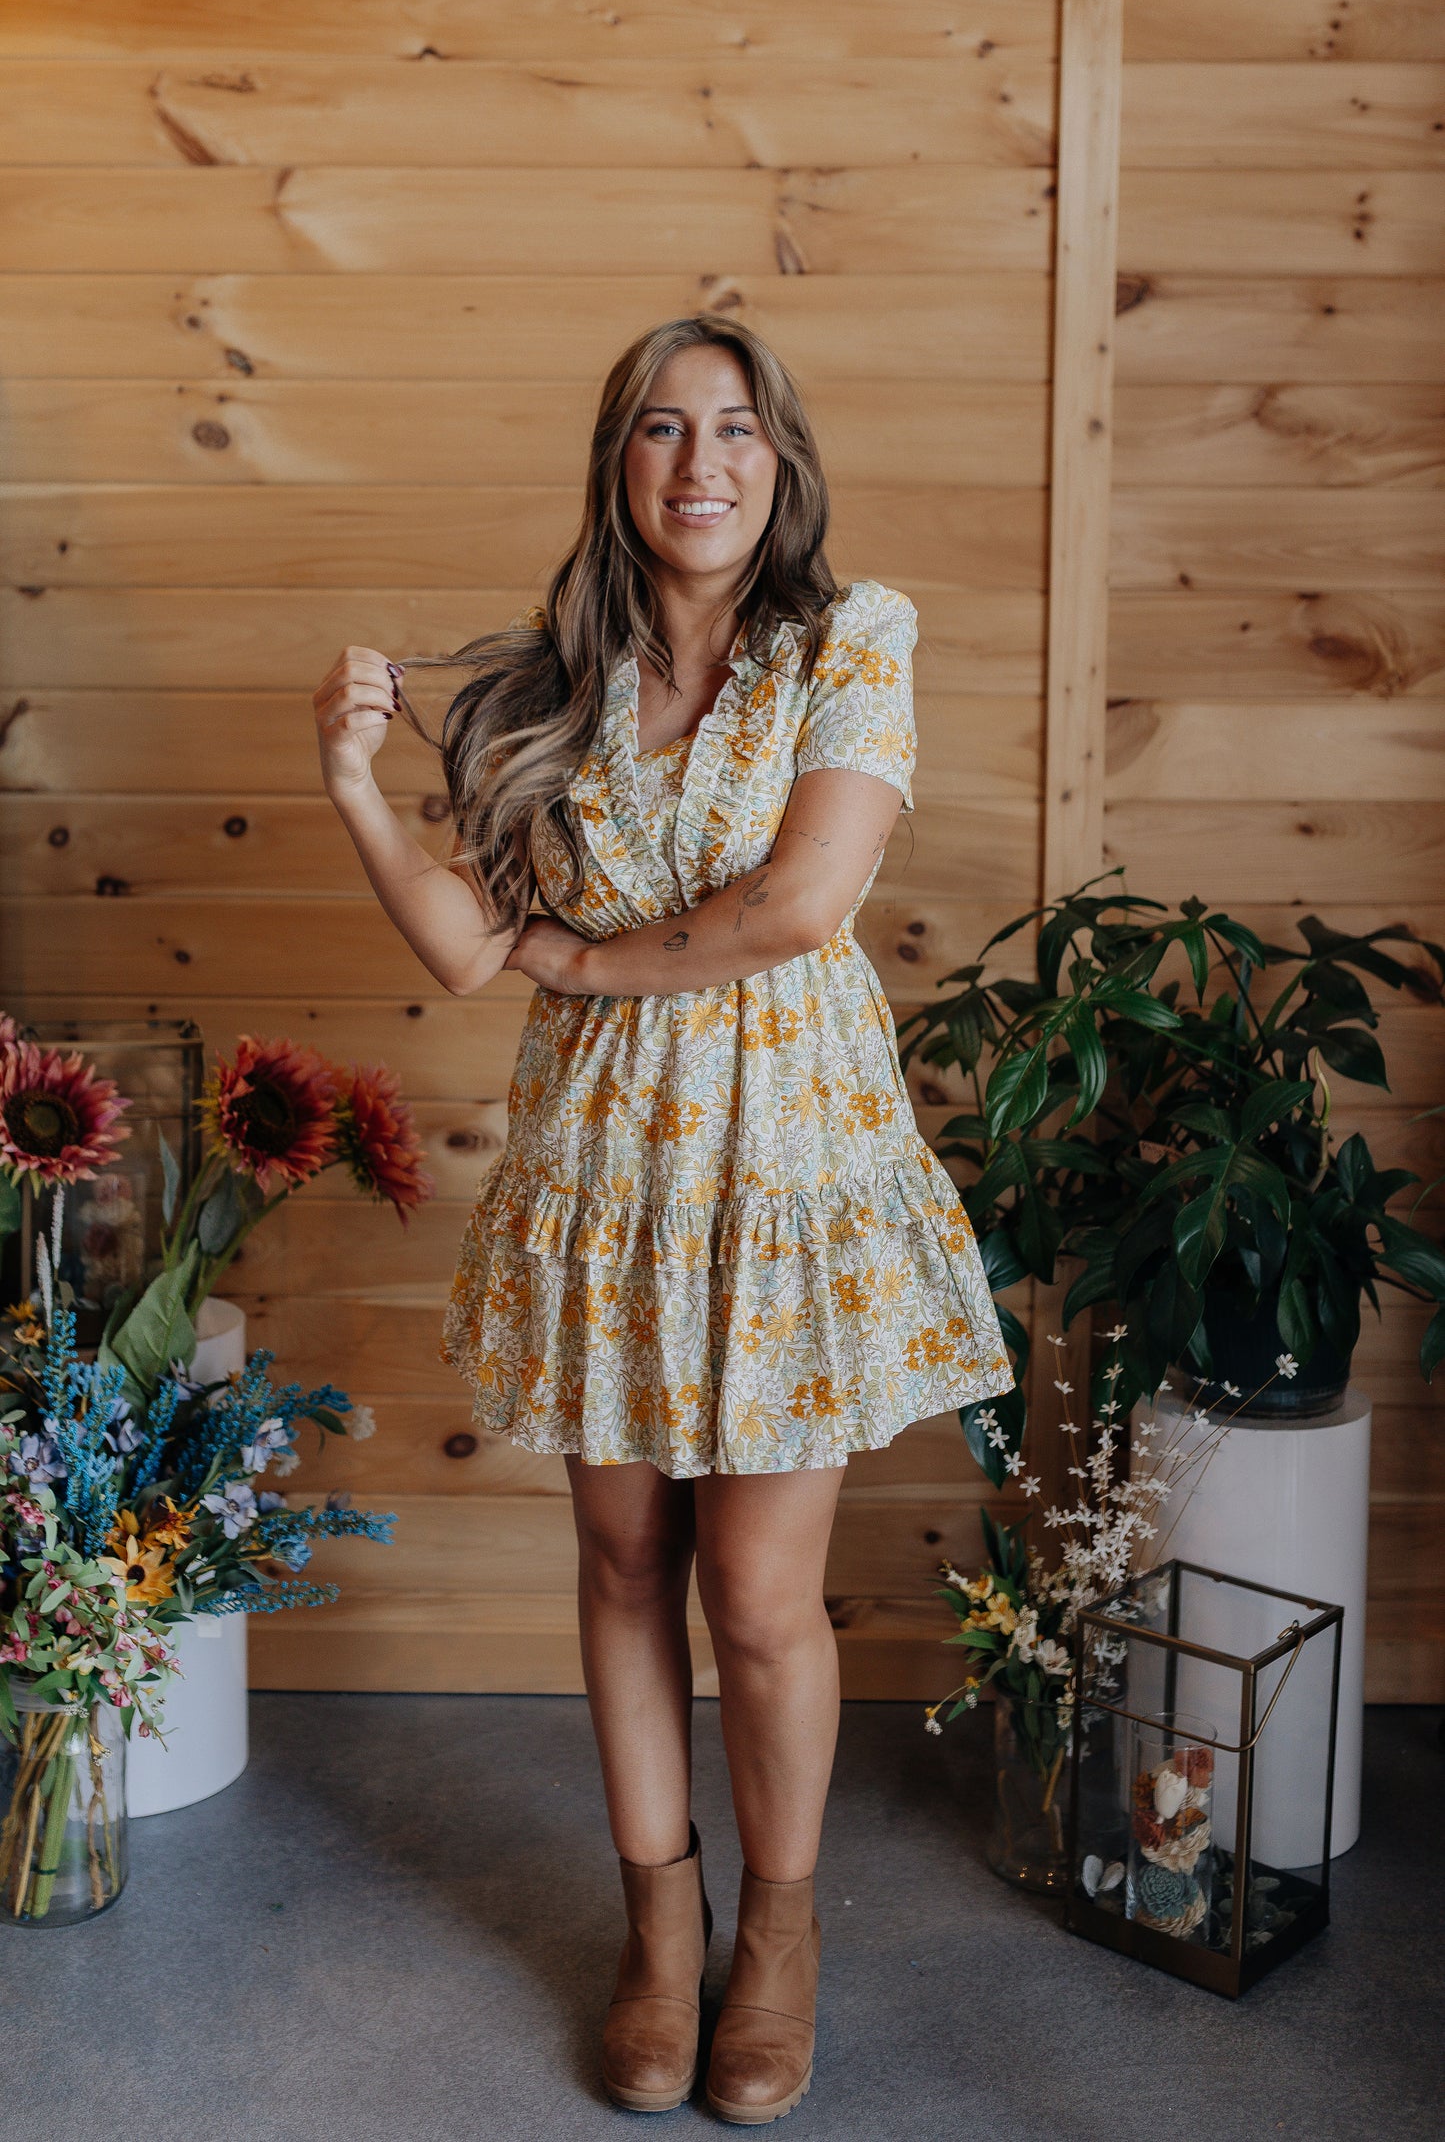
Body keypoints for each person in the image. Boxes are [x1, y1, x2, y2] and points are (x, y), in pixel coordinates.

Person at [312, 316, 1013, 2124]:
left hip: (784, 1177)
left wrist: (587, 957)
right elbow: (472, 950)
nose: (699, 464)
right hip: (603, 1182)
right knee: (623, 1568)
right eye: (658, 430)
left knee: (761, 1599)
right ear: (615, 465)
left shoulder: (848, 643)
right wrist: (351, 789)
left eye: (733, 431)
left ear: (778, 465)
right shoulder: (551, 691)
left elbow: (798, 904)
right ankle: (660, 1933)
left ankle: (776, 1947)